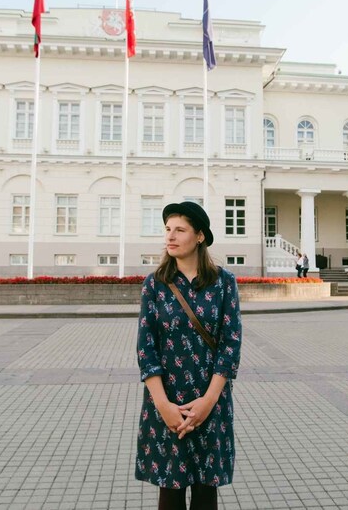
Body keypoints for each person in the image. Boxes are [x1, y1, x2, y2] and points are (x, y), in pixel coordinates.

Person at [135, 200, 242, 510]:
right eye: (168, 229)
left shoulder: (224, 283)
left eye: (179, 230)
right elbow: (146, 347)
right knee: (169, 493)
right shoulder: (155, 284)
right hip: (167, 403)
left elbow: (230, 345)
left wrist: (208, 402)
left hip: (210, 402)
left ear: (199, 237)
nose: (170, 236)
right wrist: (163, 405)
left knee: (206, 492)